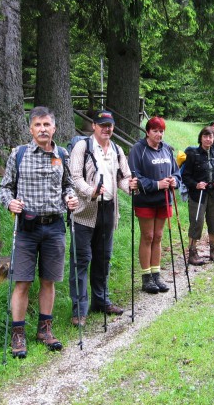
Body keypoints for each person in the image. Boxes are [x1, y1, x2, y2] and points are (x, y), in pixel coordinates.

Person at [0, 106, 79, 356]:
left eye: (47, 125)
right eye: (38, 125)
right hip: (26, 227)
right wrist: (10, 202)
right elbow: (4, 188)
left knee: (49, 280)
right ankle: (18, 335)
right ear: (30, 129)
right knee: (22, 281)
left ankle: (45, 330)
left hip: (54, 226)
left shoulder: (62, 154)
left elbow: (69, 185)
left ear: (54, 128)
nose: (43, 129)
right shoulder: (19, 155)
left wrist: (71, 198)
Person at [68, 110, 137, 327]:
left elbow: (124, 178)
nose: (107, 129)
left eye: (110, 125)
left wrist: (130, 186)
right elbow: (75, 177)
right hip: (85, 211)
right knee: (81, 260)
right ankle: (79, 310)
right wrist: (91, 191)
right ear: (94, 126)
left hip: (108, 209)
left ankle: (101, 300)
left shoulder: (116, 149)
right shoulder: (83, 147)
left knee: (103, 257)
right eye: (102, 125)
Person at [128, 116, 181, 294]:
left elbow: (176, 171)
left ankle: (156, 274)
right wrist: (157, 184)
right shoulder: (138, 149)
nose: (159, 134)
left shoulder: (166, 149)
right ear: (148, 132)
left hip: (164, 199)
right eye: (155, 131)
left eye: (161, 131)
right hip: (145, 199)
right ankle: (146, 277)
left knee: (158, 236)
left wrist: (174, 180)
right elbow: (135, 177)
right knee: (148, 236)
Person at [182, 126, 214, 265]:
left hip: (213, 192)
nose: (208, 139)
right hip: (197, 194)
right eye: (205, 136)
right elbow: (185, 176)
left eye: (210, 136)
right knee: (197, 222)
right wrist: (195, 184)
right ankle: (192, 253)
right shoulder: (193, 154)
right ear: (200, 138)